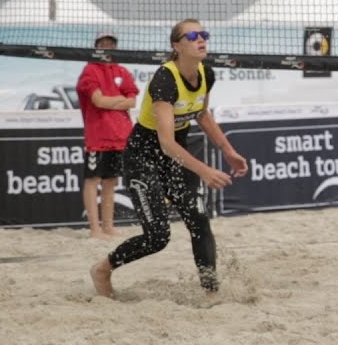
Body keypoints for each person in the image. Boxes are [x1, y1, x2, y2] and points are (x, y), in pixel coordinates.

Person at [90, 19, 248, 298]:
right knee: (157, 237)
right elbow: (165, 142)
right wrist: (203, 170)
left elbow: (201, 114)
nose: (202, 39)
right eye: (193, 36)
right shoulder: (165, 80)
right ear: (176, 46)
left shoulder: (205, 73)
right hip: (144, 156)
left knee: (199, 220)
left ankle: (211, 293)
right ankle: (103, 268)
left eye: (204, 34)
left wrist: (228, 151)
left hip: (175, 157)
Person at [76, 30, 139, 240]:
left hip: (120, 136)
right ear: (96, 46)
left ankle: (108, 227)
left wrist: (109, 100)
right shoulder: (90, 71)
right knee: (92, 180)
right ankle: (95, 229)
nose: (107, 47)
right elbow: (97, 101)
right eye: (103, 43)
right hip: (98, 136)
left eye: (111, 44)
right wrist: (118, 101)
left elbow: (132, 101)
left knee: (111, 181)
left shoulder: (122, 70)